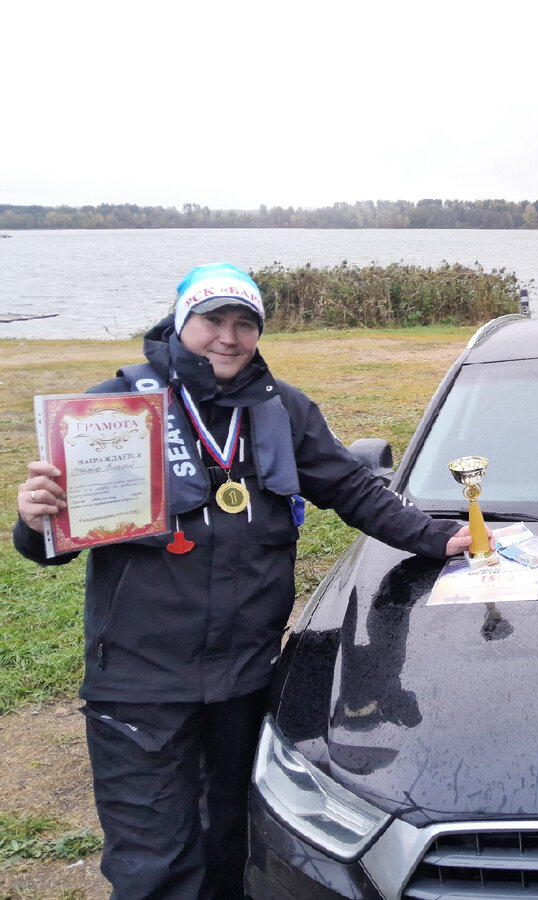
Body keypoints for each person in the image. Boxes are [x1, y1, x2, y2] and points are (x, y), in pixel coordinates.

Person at [13, 262, 479, 899]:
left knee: (234, 838)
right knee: (155, 861)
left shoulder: (282, 408)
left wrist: (438, 537)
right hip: (141, 683)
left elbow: (349, 486)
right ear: (182, 324)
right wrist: (34, 520)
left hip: (246, 675)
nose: (227, 338)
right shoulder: (114, 411)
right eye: (212, 321)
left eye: (244, 323)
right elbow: (53, 545)